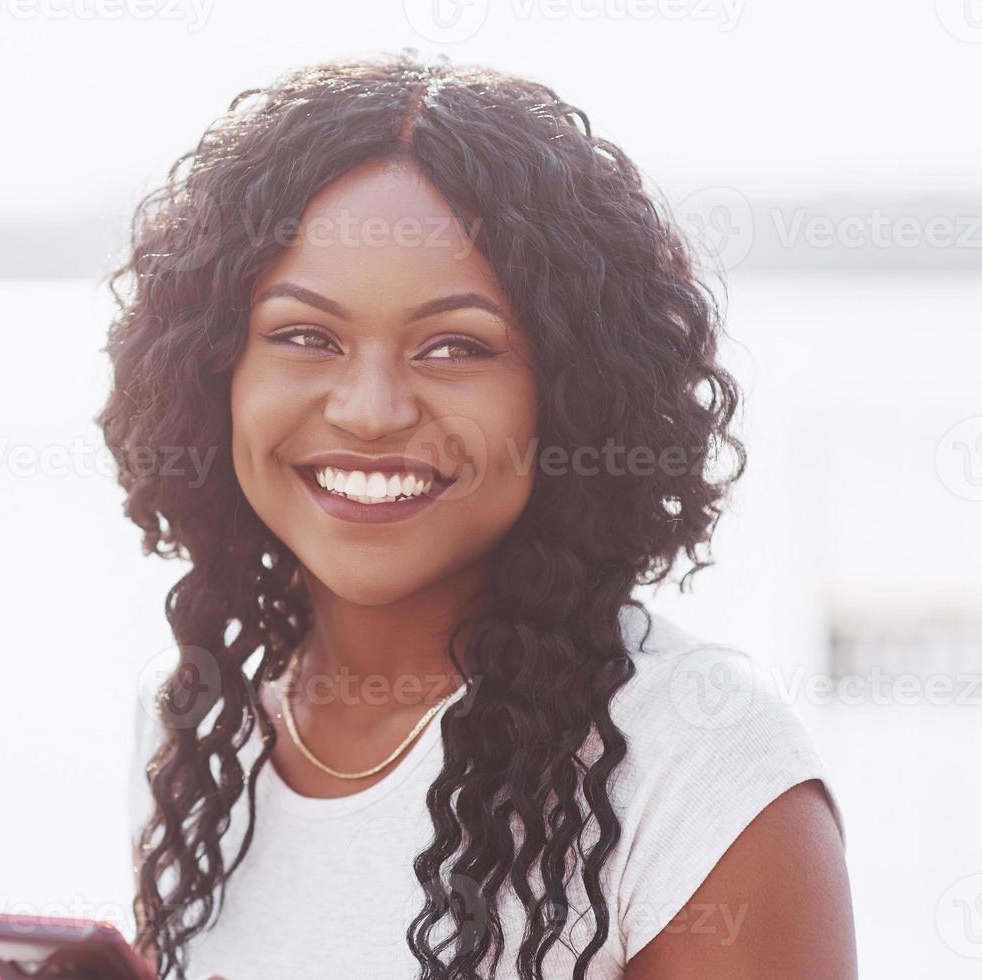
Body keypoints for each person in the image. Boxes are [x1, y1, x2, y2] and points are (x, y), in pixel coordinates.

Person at [96, 50, 855, 980]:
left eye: (455, 347)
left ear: (572, 395)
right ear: (212, 374)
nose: (370, 410)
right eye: (305, 336)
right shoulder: (198, 728)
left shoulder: (702, 767)